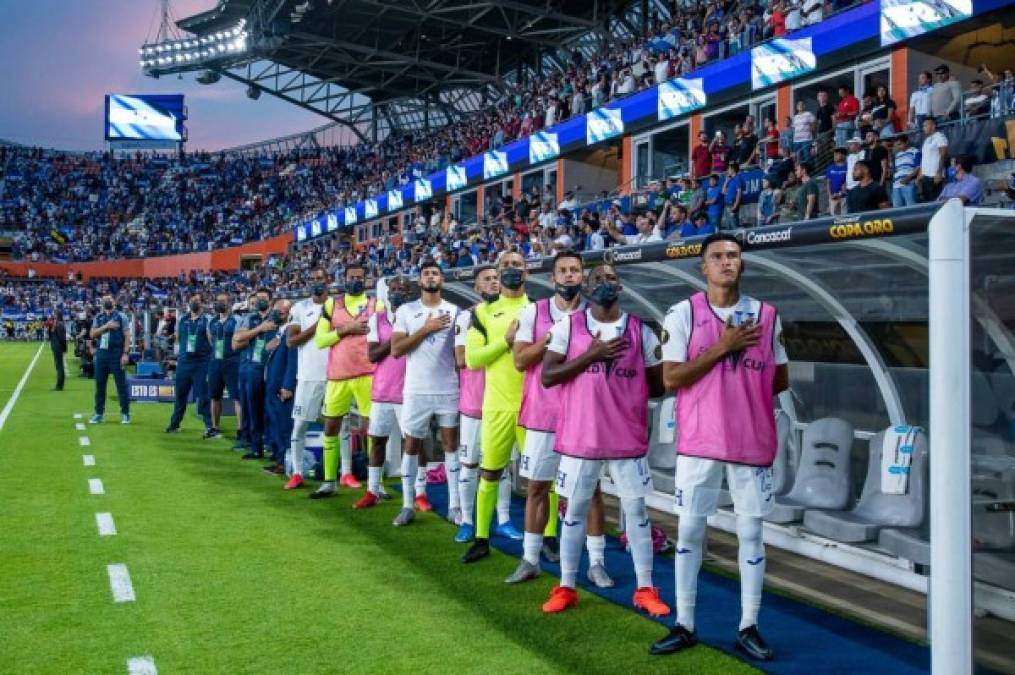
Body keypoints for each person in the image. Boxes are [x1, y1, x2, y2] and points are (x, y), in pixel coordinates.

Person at [651, 232, 789, 661]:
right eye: (718, 257)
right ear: (703, 268)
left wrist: (742, 388)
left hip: (751, 440)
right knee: (690, 528)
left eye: (734, 256)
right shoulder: (682, 314)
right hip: (700, 440)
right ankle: (685, 623)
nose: (727, 262)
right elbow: (670, 379)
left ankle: (749, 625)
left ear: (742, 264)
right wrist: (723, 348)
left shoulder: (767, 316)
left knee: (752, 532)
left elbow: (780, 378)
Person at [540, 263, 670, 616]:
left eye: (611, 278)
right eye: (597, 278)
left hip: (626, 439)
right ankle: (566, 586)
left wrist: (625, 390)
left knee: (637, 513)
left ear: (621, 286)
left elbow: (658, 384)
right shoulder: (569, 326)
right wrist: (591, 356)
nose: (604, 283)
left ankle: (645, 588)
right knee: (574, 513)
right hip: (582, 438)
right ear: (586, 287)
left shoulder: (641, 331)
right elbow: (548, 376)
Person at [506, 251, 613, 587]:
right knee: (537, 487)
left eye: (575, 270)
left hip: (584, 416)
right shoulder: (533, 312)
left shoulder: (595, 314)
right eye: (563, 271)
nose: (570, 275)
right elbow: (520, 361)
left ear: (583, 276)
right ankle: (531, 559)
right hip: (542, 414)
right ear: (552, 278)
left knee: (590, 490)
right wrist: (554, 336)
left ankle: (596, 562)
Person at [460, 250, 531, 564]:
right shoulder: (482, 313)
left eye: (517, 264)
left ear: (526, 271)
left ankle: (550, 538)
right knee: (489, 473)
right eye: (506, 265)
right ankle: (481, 538)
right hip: (498, 406)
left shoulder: (539, 310)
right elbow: (472, 360)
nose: (512, 269)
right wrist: (506, 340)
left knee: (545, 478)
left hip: (535, 409)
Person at [389, 261, 461, 527]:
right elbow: (397, 349)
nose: (431, 277)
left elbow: (461, 352)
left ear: (441, 279)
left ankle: (455, 506)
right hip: (417, 390)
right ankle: (408, 505)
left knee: (451, 447)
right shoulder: (407, 311)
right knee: (411, 446)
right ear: (419, 281)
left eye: (435, 273)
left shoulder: (455, 312)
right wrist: (425, 329)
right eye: (426, 274)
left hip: (448, 389)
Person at [454, 267, 520, 542]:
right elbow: (461, 359)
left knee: (502, 466)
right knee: (470, 463)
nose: (494, 282)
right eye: (488, 279)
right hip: (475, 402)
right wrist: (503, 343)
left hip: (507, 400)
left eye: (497, 277)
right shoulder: (469, 316)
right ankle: (468, 521)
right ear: (477, 286)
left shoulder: (521, 311)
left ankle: (504, 519)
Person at [312, 265, 379, 498]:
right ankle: (329, 480)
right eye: (352, 277)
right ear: (344, 279)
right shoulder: (331, 305)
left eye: (360, 278)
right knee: (331, 426)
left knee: (374, 429)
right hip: (338, 376)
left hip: (368, 374)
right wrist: (346, 329)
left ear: (367, 279)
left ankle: (374, 484)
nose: (356, 281)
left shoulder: (376, 304)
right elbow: (320, 341)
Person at [353, 276, 409, 509]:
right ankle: (372, 490)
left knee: (414, 444)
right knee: (377, 441)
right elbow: (373, 354)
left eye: (402, 290)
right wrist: (398, 338)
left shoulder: (418, 316)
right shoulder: (377, 319)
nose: (396, 293)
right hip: (383, 391)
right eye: (393, 289)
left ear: (409, 293)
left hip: (410, 391)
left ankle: (419, 493)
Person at [284, 269, 330, 490]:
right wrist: (319, 324)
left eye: (319, 278)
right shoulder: (300, 308)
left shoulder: (337, 306)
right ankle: (297, 472)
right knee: (300, 424)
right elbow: (291, 341)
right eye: (312, 279)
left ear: (327, 280)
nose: (315, 282)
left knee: (342, 426)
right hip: (308, 376)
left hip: (336, 375)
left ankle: (346, 472)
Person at [232, 288, 276, 460]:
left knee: (272, 410)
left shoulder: (277, 317)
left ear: (271, 301)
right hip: (253, 370)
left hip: (271, 369)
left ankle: (274, 447)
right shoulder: (250, 318)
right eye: (258, 298)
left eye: (264, 298)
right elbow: (237, 338)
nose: (260, 301)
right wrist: (260, 328)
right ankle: (256, 447)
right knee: (253, 410)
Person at [166, 293, 213, 436]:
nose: (194, 302)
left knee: (204, 396)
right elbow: (178, 339)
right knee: (180, 395)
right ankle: (174, 424)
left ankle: (209, 426)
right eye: (192, 300)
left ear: (202, 303)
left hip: (201, 363)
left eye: (197, 300)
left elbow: (211, 341)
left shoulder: (207, 320)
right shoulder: (182, 319)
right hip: (184, 363)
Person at [263, 299, 296, 475]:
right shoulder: (277, 333)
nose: (277, 315)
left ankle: (284, 463)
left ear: (290, 313)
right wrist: (266, 349)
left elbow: (293, 361)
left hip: (282, 389)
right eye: (275, 311)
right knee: (274, 424)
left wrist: (288, 386)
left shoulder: (292, 331)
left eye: (281, 312)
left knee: (283, 426)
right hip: (271, 386)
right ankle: (278, 459)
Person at [88, 294, 131, 425]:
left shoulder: (121, 316)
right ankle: (99, 414)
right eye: (105, 300)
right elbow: (92, 334)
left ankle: (125, 413)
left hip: (116, 354)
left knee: (121, 385)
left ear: (114, 302)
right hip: (102, 354)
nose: (107, 301)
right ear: (102, 303)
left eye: (110, 299)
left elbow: (127, 336)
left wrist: (125, 354)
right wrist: (106, 326)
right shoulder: (99, 317)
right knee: (100, 385)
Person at [207, 293, 241, 441]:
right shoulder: (212, 322)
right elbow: (211, 340)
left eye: (222, 301)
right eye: (217, 301)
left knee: (237, 397)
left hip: (232, 362)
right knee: (214, 396)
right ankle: (215, 428)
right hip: (215, 362)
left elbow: (239, 340)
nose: (218, 303)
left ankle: (241, 430)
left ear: (229, 303)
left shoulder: (237, 320)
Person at [917, 116, 948, 202]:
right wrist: (920, 173)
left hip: (935, 176)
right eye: (923, 126)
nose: (924, 128)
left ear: (933, 126)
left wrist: (939, 173)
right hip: (925, 176)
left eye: (926, 125)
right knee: (927, 202)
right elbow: (924, 158)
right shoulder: (926, 140)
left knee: (935, 202)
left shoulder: (940, 137)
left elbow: (943, 155)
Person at [891, 134, 921, 207]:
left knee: (911, 208)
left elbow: (918, 168)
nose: (898, 147)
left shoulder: (915, 151)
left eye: (900, 144)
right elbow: (896, 170)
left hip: (909, 184)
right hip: (896, 185)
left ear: (907, 142)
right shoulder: (897, 155)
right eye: (897, 145)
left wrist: (908, 178)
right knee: (897, 209)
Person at [47, 306, 66, 391]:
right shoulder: (57, 323)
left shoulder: (59, 324)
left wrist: (63, 348)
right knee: (58, 365)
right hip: (56, 346)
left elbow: (62, 338)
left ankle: (59, 385)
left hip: (58, 346)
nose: (53, 315)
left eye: (54, 313)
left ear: (57, 315)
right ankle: (59, 384)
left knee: (59, 365)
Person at [825, 147, 849, 216]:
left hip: (844, 197)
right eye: (834, 154)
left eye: (837, 154)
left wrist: (842, 192)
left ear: (843, 155)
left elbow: (849, 182)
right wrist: (830, 196)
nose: (834, 156)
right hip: (833, 197)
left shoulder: (848, 166)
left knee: (845, 217)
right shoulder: (830, 168)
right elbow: (828, 182)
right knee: (834, 218)